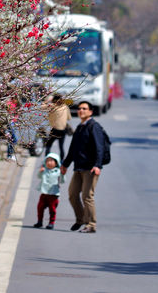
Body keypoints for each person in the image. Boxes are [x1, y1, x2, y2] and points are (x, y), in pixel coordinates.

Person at [60, 100, 104, 234]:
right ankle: (81, 219)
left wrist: (98, 165)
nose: (81, 111)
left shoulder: (93, 127)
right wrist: (65, 164)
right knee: (72, 194)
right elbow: (73, 149)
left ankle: (91, 224)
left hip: (90, 169)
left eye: (84, 109)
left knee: (87, 196)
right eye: (79, 109)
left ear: (90, 111)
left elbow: (99, 148)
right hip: (78, 168)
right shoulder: (80, 127)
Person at [33, 152, 64, 230]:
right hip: (44, 193)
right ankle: (39, 221)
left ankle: (51, 223)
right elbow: (39, 177)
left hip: (53, 194)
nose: (49, 163)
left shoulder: (58, 172)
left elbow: (63, 181)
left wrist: (62, 174)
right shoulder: (44, 170)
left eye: (51, 161)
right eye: (47, 161)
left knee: (52, 209)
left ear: (56, 162)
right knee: (40, 207)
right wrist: (40, 171)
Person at [44, 94, 72, 161]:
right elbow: (69, 118)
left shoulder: (52, 106)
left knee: (48, 145)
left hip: (55, 129)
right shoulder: (65, 107)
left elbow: (42, 107)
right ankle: (61, 161)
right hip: (63, 129)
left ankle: (47, 159)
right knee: (61, 147)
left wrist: (47, 101)